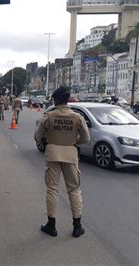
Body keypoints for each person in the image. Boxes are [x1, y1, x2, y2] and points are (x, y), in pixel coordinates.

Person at [35, 86, 90, 238]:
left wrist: (47, 138)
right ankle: (77, 226)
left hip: (52, 153)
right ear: (67, 100)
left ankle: (51, 225)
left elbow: (37, 136)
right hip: (70, 153)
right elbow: (86, 138)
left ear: (56, 100)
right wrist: (73, 141)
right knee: (74, 190)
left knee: (52, 189)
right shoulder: (77, 117)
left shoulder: (48, 116)